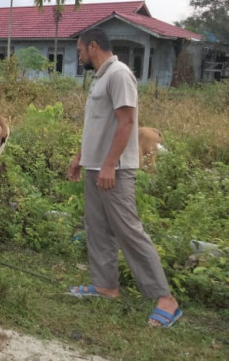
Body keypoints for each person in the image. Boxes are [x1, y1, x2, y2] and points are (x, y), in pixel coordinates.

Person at [67, 28, 181, 328]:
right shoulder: (101, 77)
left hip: (113, 171)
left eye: (80, 49)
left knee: (128, 230)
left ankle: (165, 299)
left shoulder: (119, 74)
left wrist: (109, 165)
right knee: (98, 229)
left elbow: (127, 121)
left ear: (94, 46)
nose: (78, 55)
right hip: (95, 167)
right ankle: (105, 286)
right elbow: (97, 126)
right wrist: (81, 157)